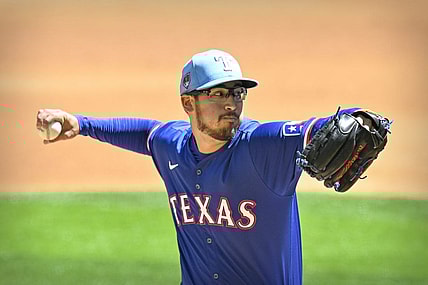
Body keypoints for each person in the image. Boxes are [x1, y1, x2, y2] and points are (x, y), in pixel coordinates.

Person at [36, 49, 387, 285]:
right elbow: (144, 133)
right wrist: (81, 124)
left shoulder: (262, 147)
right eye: (218, 94)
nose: (232, 103)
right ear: (188, 103)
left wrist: (358, 119)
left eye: (237, 93)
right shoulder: (171, 145)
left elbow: (318, 128)